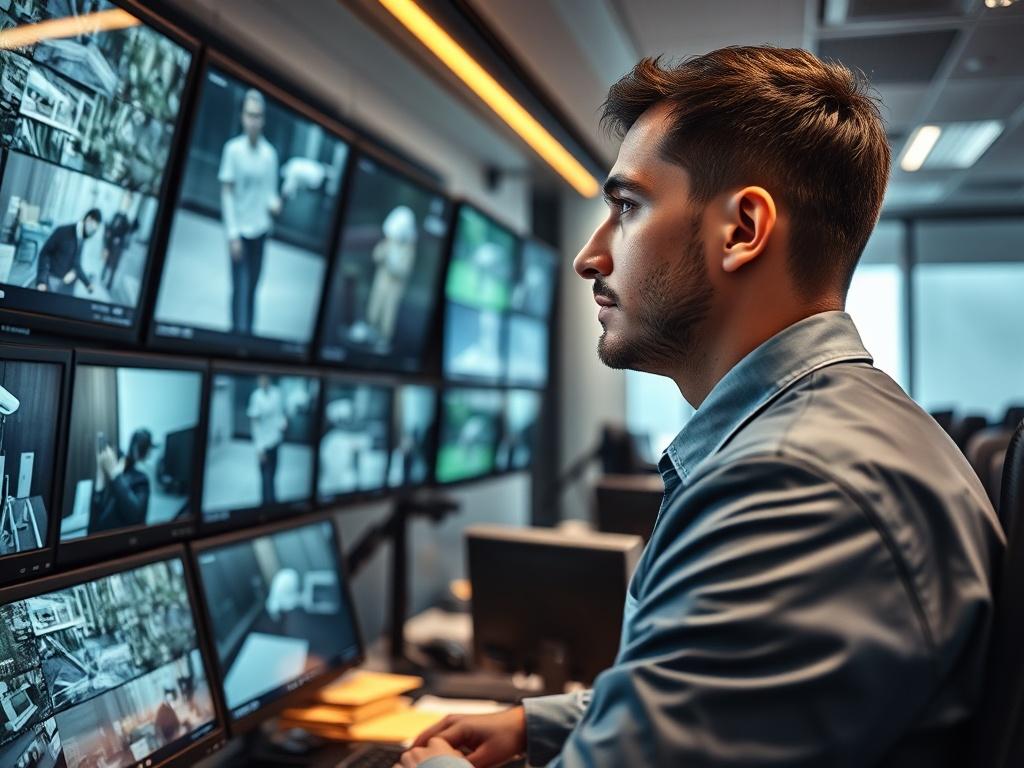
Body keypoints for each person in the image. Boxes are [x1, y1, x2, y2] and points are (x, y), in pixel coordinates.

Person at [399, 47, 1004, 768]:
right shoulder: (820, 436)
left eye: (627, 207)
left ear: (742, 230)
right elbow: (735, 695)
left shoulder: (796, 485)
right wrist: (549, 725)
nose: (589, 257)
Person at [219, 88, 281, 335]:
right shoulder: (232, 150)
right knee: (239, 289)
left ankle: (247, 344)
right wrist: (232, 234)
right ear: (242, 116)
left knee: (253, 290)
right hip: (240, 232)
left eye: (258, 116)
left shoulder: (270, 155)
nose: (253, 120)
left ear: (263, 119)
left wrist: (275, 205)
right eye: (249, 114)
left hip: (261, 232)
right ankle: (235, 339)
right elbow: (227, 193)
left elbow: (271, 194)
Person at [365, 205, 417, 348]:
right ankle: (371, 330)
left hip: (395, 287)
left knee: (389, 314)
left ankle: (384, 339)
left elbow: (405, 270)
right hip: (381, 283)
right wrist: (384, 249)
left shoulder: (409, 248)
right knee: (375, 306)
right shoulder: (388, 241)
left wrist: (393, 266)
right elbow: (376, 256)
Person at [90, 428, 153, 534]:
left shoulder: (140, 479)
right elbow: (93, 527)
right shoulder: (117, 475)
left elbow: (136, 516)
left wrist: (115, 474)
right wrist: (100, 473)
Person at [34, 208, 101, 296]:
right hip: (51, 281)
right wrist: (42, 281)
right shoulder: (63, 231)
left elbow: (77, 264)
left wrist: (87, 283)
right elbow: (45, 254)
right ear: (88, 219)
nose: (92, 230)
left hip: (64, 286)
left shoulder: (81, 238)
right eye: (93, 226)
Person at [247, 375, 286, 506]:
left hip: (276, 439)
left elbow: (280, 413)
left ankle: (273, 503)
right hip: (263, 443)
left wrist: (282, 422)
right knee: (266, 477)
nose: (262, 382)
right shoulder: (256, 397)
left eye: (265, 379)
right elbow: (255, 425)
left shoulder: (277, 393)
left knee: (273, 474)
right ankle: (265, 505)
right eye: (260, 380)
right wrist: (259, 448)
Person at [101, 192, 136, 290]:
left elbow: (130, 230)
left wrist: (120, 238)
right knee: (107, 260)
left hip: (119, 245)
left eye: (129, 200)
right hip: (111, 241)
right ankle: (102, 275)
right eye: (125, 199)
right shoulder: (116, 213)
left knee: (114, 264)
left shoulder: (130, 216)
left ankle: (109, 283)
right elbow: (111, 226)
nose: (126, 202)